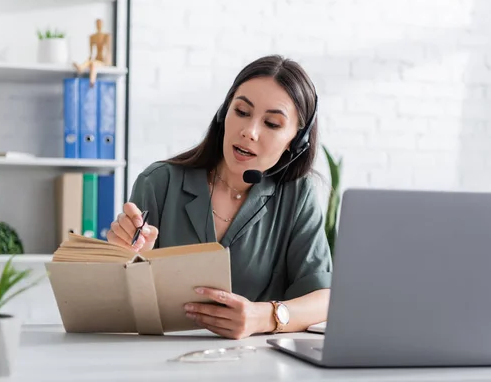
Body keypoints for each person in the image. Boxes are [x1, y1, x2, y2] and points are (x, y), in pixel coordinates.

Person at [106, 54, 333, 340]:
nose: (249, 132)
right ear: (223, 114)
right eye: (241, 111)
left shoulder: (297, 196)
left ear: (296, 142)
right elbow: (119, 305)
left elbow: (323, 299)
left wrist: (262, 317)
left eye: (272, 124)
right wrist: (129, 256)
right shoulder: (158, 182)